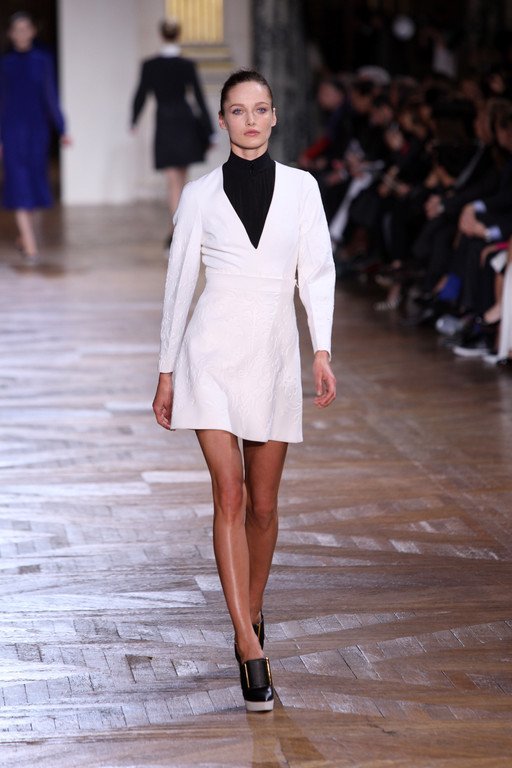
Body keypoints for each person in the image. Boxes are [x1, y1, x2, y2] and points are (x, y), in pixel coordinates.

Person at [152, 70, 336, 712]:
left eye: (260, 109)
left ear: (274, 116)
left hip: (275, 355)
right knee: (228, 495)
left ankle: (251, 609)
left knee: (263, 504)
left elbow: (317, 271)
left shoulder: (303, 188)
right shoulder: (199, 195)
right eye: (238, 110)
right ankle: (247, 643)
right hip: (210, 353)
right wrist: (167, 368)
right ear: (223, 120)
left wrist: (321, 348)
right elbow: (180, 282)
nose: (250, 120)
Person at [131, 18, 214, 245]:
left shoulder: (150, 65)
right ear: (178, 35)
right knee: (181, 179)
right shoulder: (186, 65)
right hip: (184, 122)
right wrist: (210, 130)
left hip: (165, 122)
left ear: (161, 35)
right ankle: (179, 230)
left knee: (172, 181)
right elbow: (198, 98)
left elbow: (141, 94)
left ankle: (175, 232)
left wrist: (134, 120)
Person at [0, 11, 70, 263]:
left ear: (32, 31)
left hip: (37, 132)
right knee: (18, 183)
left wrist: (62, 128)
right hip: (11, 131)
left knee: (32, 183)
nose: (21, 33)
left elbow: (50, 96)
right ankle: (30, 244)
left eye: (25, 28)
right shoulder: (5, 64)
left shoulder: (43, 61)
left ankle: (24, 237)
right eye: (17, 29)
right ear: (11, 34)